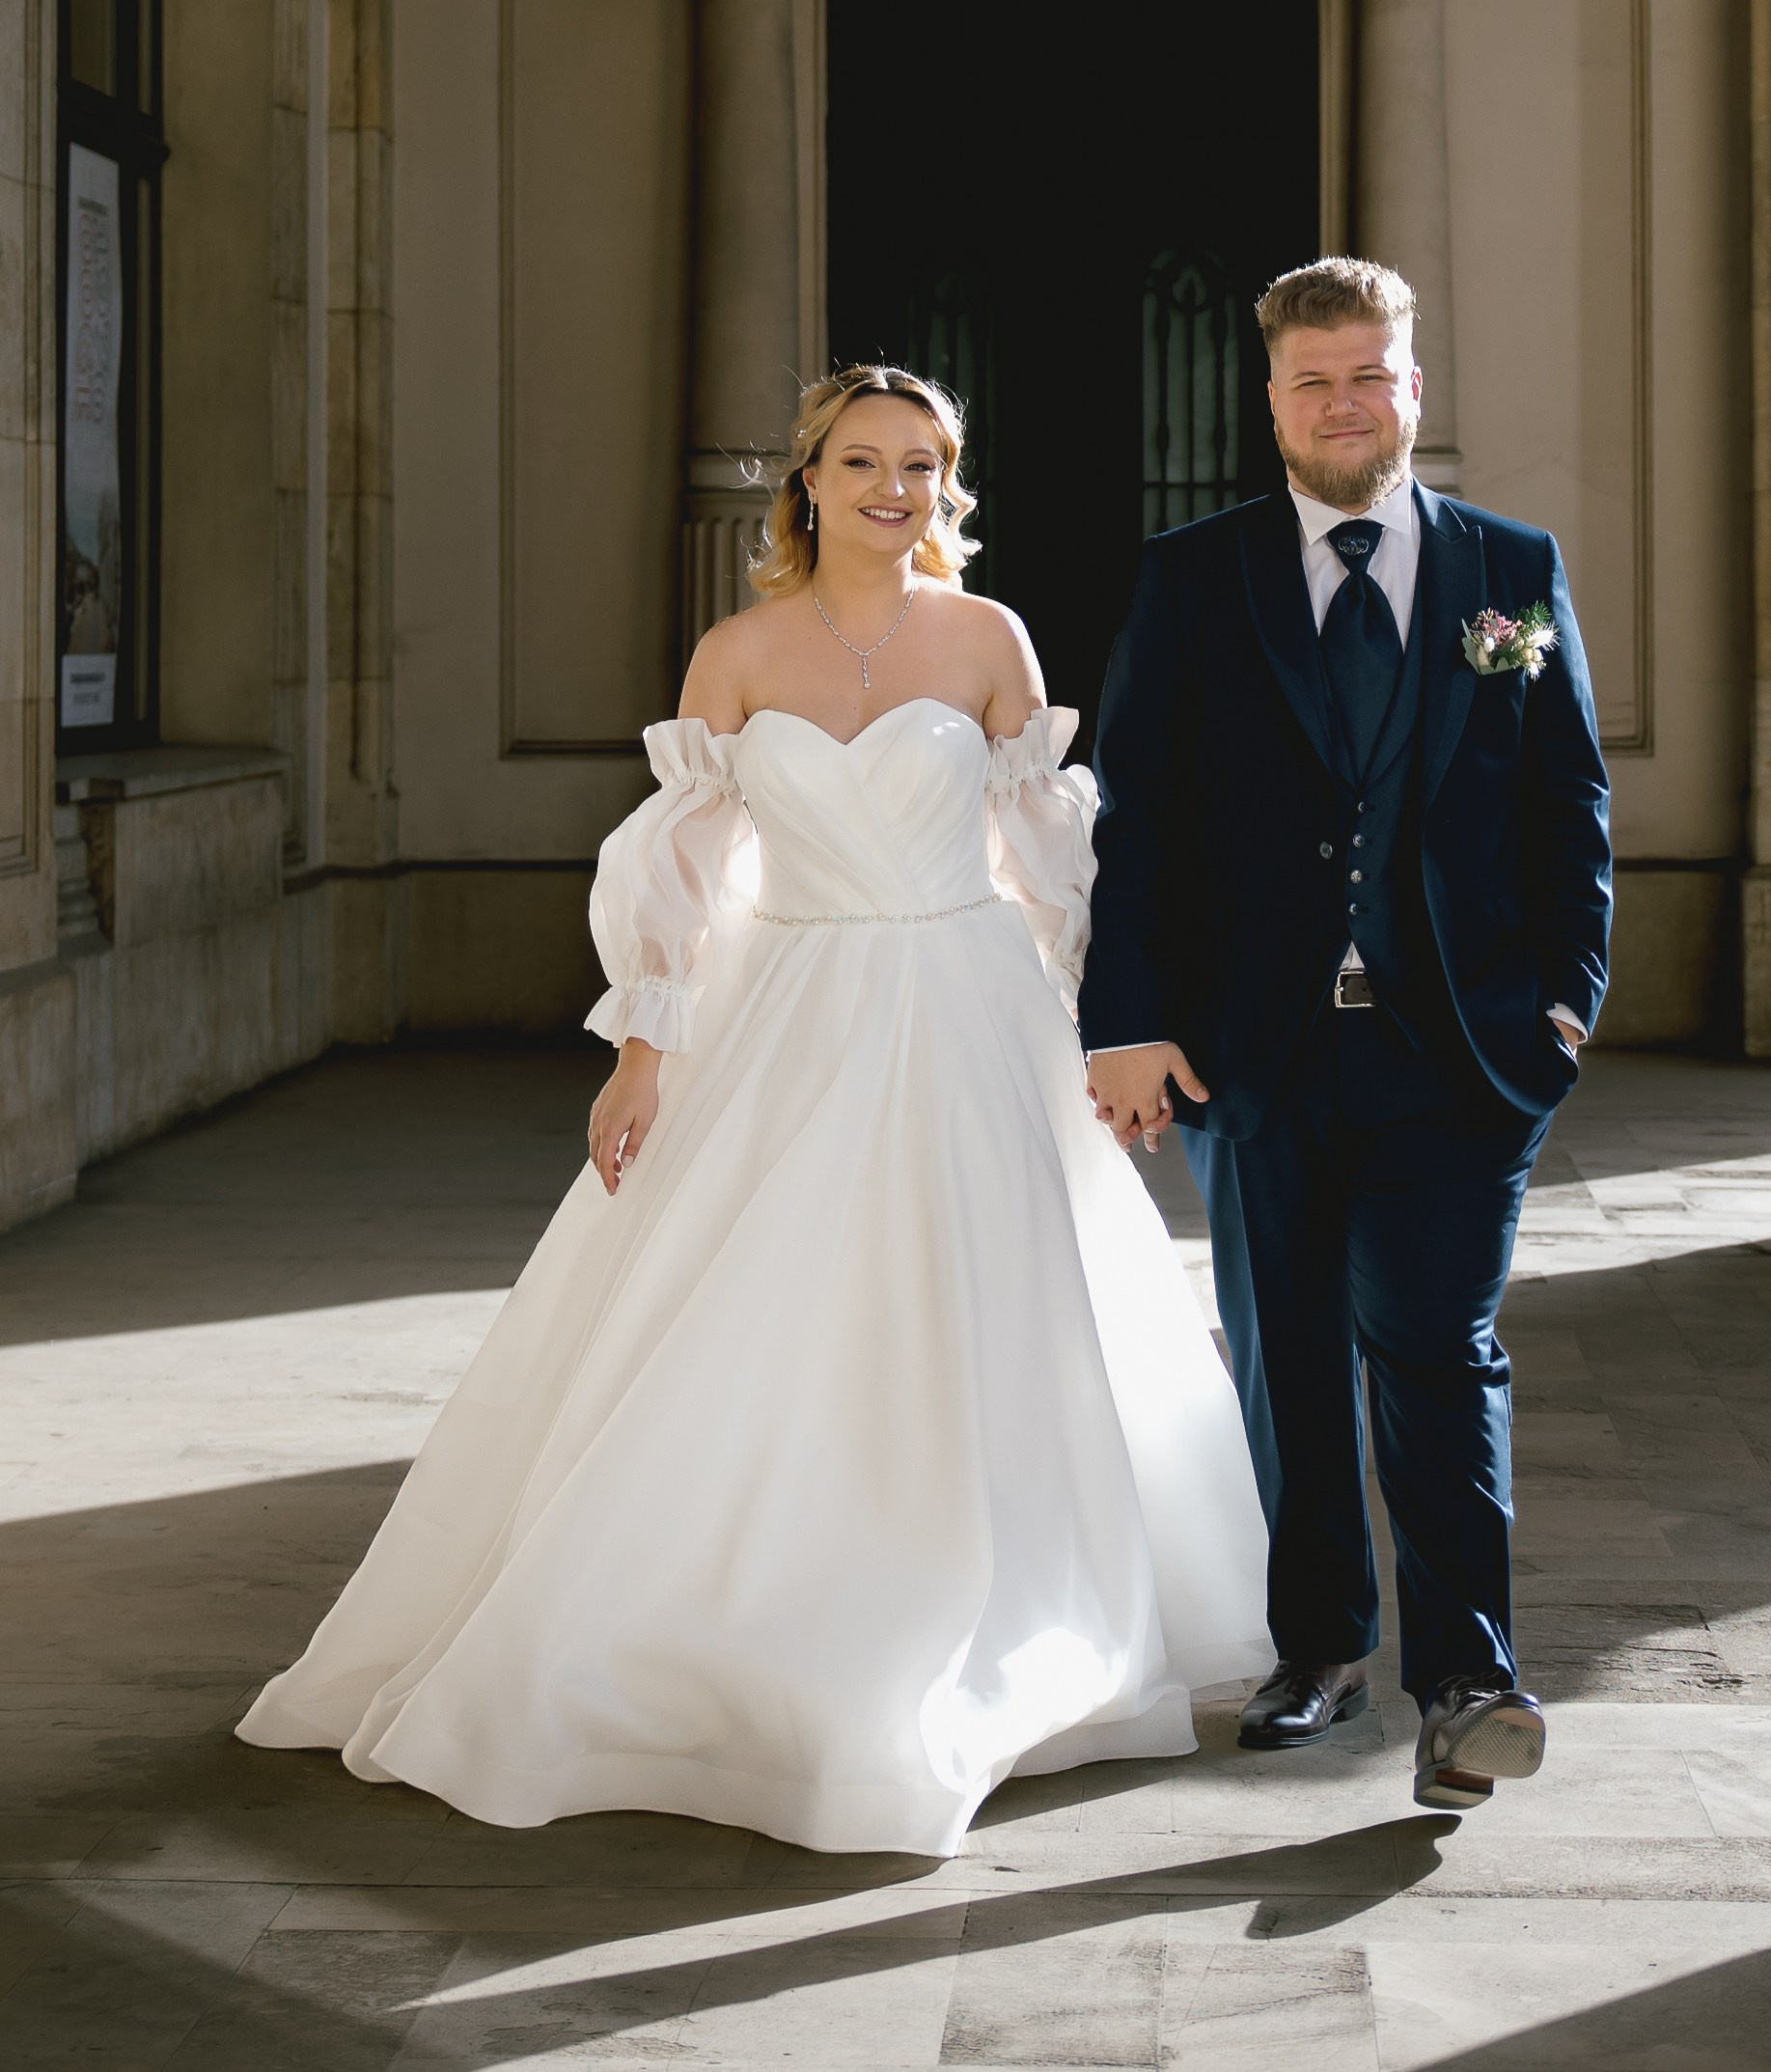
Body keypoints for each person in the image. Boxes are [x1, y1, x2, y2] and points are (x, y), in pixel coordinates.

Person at [240, 368, 1269, 1859]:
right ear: (806, 479)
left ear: (948, 485)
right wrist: (642, 1047)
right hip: (786, 1000)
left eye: (920, 464)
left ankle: (989, 1622)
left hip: (965, 1005)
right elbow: (672, 875)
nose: (892, 489)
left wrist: (1091, 1036)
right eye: (862, 461)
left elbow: (1051, 861)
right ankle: (732, 1623)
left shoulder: (989, 638)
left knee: (978, 1313)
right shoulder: (736, 652)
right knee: (751, 1309)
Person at [1081, 258, 1612, 1813]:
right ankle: (1315, 1645)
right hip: (1258, 1051)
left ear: (1412, 390)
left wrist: (1563, 1003)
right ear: (1269, 401)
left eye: (1366, 376)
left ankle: (1466, 1678)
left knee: (1440, 1350)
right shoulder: (1194, 576)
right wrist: (1125, 1022)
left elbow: (1566, 804)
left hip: (1459, 1050)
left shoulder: (1511, 568)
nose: (1339, 404)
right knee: (1286, 1352)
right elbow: (1141, 821)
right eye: (1311, 381)